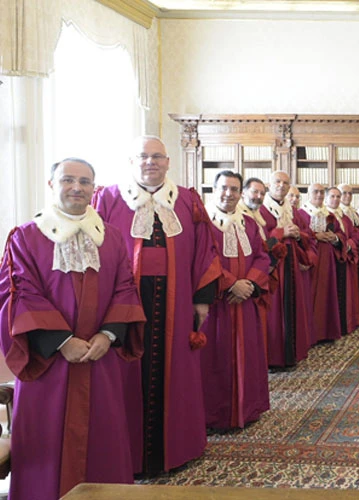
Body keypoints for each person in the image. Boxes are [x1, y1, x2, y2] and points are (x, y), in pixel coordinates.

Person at [0, 158, 146, 500]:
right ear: (52, 184)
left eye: (84, 181)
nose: (77, 187)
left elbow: (126, 287)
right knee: (45, 443)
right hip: (49, 362)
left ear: (94, 188)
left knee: (103, 436)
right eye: (68, 180)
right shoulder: (26, 237)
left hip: (100, 356)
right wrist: (62, 341)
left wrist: (108, 335)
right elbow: (20, 294)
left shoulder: (111, 238)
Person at [93, 136, 221, 475]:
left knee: (176, 370)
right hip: (121, 305)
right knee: (124, 374)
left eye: (157, 157)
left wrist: (202, 301)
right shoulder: (107, 198)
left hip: (176, 306)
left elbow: (205, 250)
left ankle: (177, 447)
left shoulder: (188, 200)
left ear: (168, 162)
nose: (150, 162)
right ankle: (127, 453)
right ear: (131, 161)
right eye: (143, 156)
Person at [202, 171, 270, 430]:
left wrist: (250, 284)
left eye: (234, 189)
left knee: (248, 355)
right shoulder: (205, 223)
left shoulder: (249, 224)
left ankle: (247, 408)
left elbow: (263, 257)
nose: (228, 194)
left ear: (240, 193)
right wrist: (231, 283)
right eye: (223, 188)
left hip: (245, 301)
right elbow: (204, 259)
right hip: (218, 303)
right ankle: (216, 415)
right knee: (216, 360)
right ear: (214, 189)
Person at [259, 171, 315, 368]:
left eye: (285, 183)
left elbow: (308, 235)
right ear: (269, 184)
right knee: (274, 311)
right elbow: (257, 239)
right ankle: (273, 358)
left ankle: (291, 355)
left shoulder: (293, 211)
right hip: (273, 268)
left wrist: (298, 235)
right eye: (277, 182)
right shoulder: (261, 210)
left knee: (292, 307)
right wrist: (281, 232)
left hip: (291, 265)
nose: (281, 186)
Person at [298, 183, 345, 341]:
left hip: (327, 259)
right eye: (315, 192)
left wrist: (335, 238)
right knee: (309, 294)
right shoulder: (301, 213)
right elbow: (299, 234)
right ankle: (310, 335)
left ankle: (325, 332)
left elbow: (340, 233)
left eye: (321, 192)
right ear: (309, 194)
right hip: (309, 258)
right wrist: (315, 236)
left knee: (326, 294)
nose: (319, 195)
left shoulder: (329, 215)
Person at [325, 186, 359, 334]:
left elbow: (353, 234)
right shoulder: (324, 215)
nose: (336, 199)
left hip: (345, 256)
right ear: (326, 198)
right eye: (333, 196)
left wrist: (348, 245)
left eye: (338, 197)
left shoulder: (345, 217)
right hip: (330, 259)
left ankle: (346, 323)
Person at [339, 183, 359, 323]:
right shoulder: (338, 212)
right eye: (344, 193)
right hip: (344, 253)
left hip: (356, 251)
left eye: (350, 193)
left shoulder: (353, 213)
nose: (347, 196)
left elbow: (356, 233)